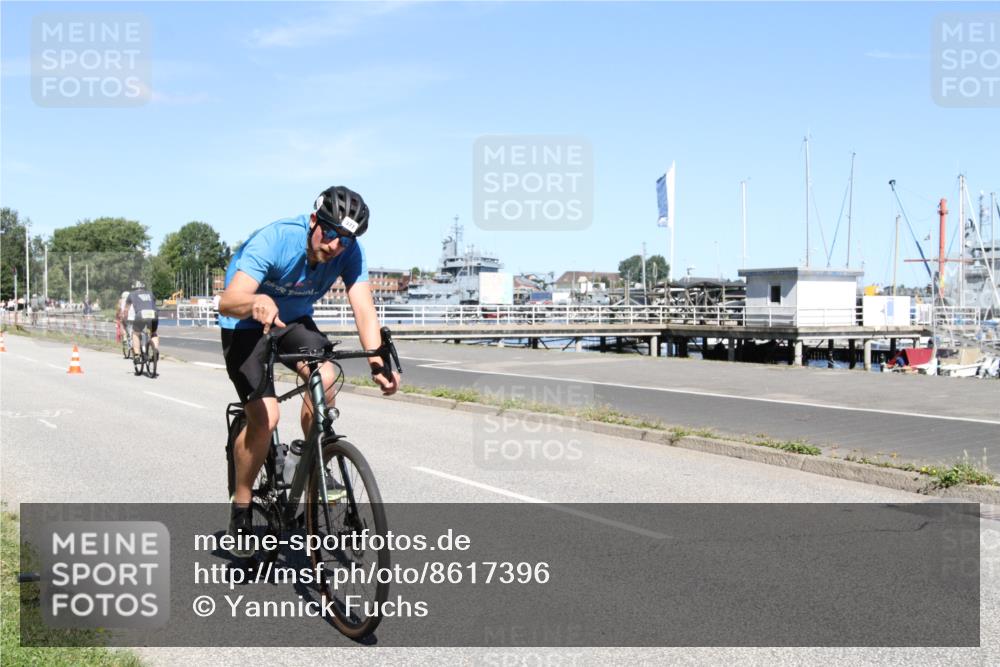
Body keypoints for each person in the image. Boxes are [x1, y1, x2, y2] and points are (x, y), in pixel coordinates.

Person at [217, 186, 400, 549]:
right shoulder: (276, 240)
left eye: (345, 240)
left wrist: (378, 360)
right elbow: (227, 301)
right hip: (244, 323)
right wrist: (256, 301)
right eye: (330, 233)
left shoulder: (349, 252)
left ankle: (306, 455)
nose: (335, 245)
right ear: (315, 221)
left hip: (293, 321)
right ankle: (241, 504)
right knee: (266, 418)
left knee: (327, 376)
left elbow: (363, 307)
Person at [121, 281, 159, 358]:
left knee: (135, 333)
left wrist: (124, 319)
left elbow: (126, 310)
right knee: (153, 333)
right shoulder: (150, 293)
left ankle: (137, 355)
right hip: (153, 314)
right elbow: (154, 303)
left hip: (141, 314)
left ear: (133, 288)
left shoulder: (131, 294)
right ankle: (155, 350)